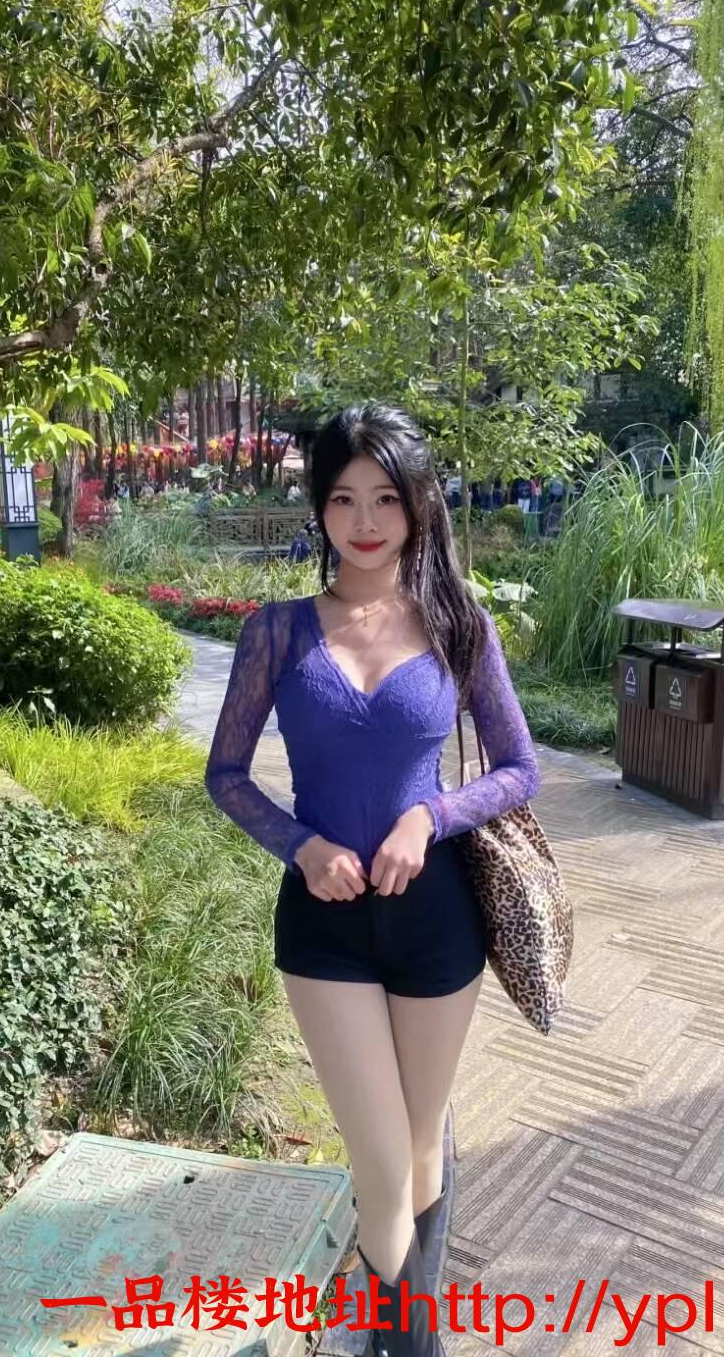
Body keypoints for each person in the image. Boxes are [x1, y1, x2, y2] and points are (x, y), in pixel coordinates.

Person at [205, 404, 539, 1357]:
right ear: (319, 508)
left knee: (420, 1143)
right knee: (383, 1156)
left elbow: (521, 769)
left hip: (437, 920)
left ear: (418, 505)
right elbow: (226, 775)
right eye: (344, 498)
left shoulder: (459, 626)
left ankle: (397, 1337)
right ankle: (412, 1345)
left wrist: (429, 816)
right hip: (324, 926)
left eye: (385, 498)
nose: (364, 520)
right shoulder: (275, 633)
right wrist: (301, 845)